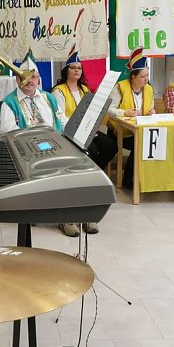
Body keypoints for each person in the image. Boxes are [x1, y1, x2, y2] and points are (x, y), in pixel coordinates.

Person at [0, 65, 81, 237]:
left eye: (34, 77)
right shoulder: (9, 102)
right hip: (27, 149)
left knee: (78, 163)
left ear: (39, 80)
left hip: (55, 143)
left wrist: (75, 131)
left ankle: (82, 213)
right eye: (26, 77)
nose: (30, 81)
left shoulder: (48, 97)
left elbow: (62, 120)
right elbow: (8, 132)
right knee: (59, 168)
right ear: (17, 79)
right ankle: (66, 217)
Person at [50, 46, 117, 234]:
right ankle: (79, 203)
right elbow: (61, 118)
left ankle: (95, 177)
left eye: (79, 68)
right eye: (73, 68)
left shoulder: (85, 89)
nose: (76, 71)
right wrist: (82, 129)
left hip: (87, 131)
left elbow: (92, 112)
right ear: (66, 70)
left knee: (110, 146)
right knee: (92, 152)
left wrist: (92, 128)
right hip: (68, 133)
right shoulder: (58, 91)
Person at [107, 46, 156, 190]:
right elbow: (109, 110)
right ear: (133, 76)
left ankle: (147, 179)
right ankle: (128, 181)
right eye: (142, 76)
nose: (146, 79)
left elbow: (150, 108)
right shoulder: (120, 87)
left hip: (140, 130)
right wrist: (125, 113)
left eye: (147, 75)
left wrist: (151, 112)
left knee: (150, 142)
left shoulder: (149, 89)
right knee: (140, 144)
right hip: (120, 132)